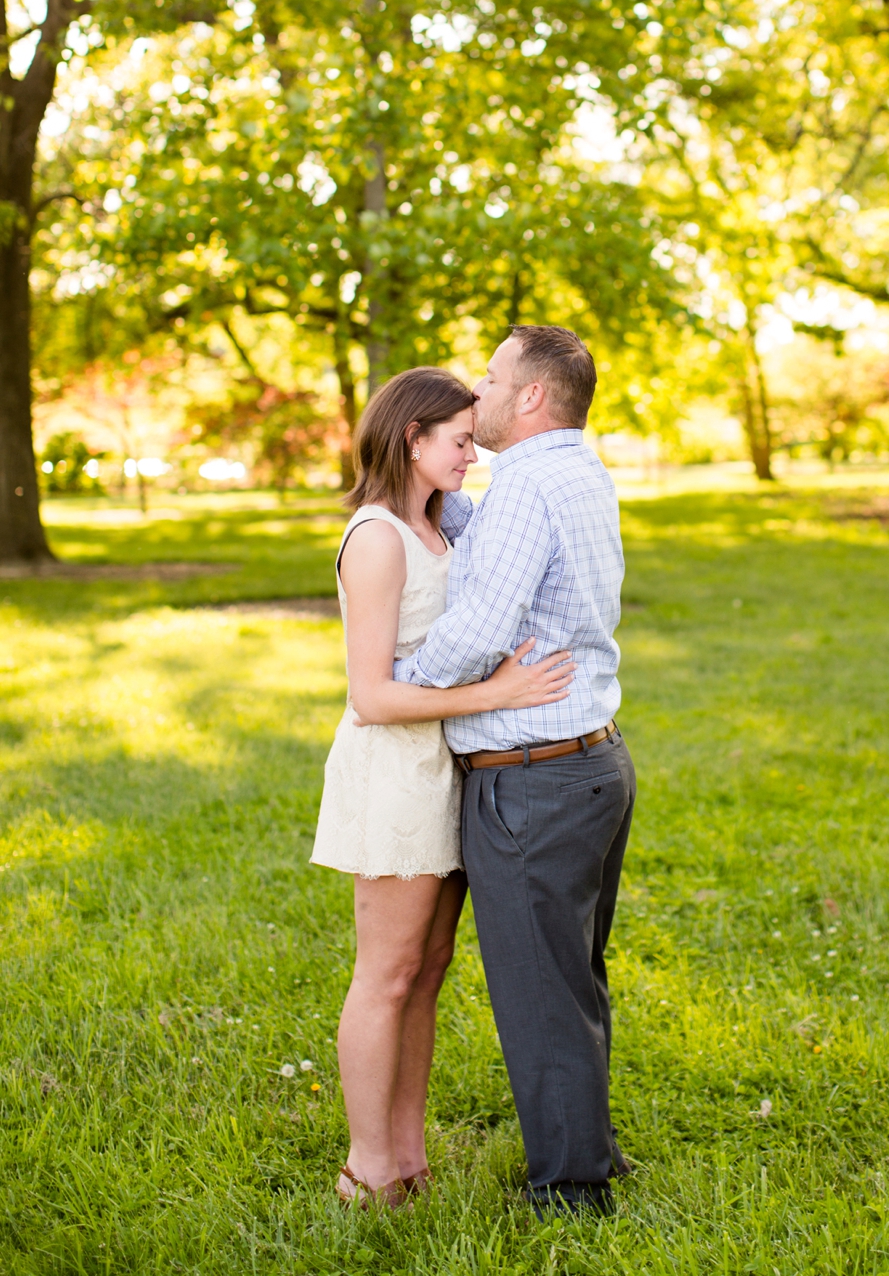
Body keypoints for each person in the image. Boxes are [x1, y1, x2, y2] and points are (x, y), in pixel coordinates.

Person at [310, 366, 575, 1210]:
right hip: (394, 774)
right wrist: (494, 694)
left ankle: (408, 1155)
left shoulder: (435, 528)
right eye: (459, 440)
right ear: (410, 438)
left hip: (447, 768)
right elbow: (373, 695)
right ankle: (364, 1166)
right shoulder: (379, 536)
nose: (472, 452)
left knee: (429, 967)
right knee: (387, 972)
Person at [393, 325, 634, 1218]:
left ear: (532, 396)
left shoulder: (529, 482)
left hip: (532, 780)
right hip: (591, 764)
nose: (477, 390)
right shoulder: (575, 470)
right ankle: (590, 1155)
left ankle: (572, 1190)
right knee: (571, 977)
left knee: (540, 989)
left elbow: (478, 627)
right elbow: (488, 538)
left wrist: (397, 687)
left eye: (492, 377)